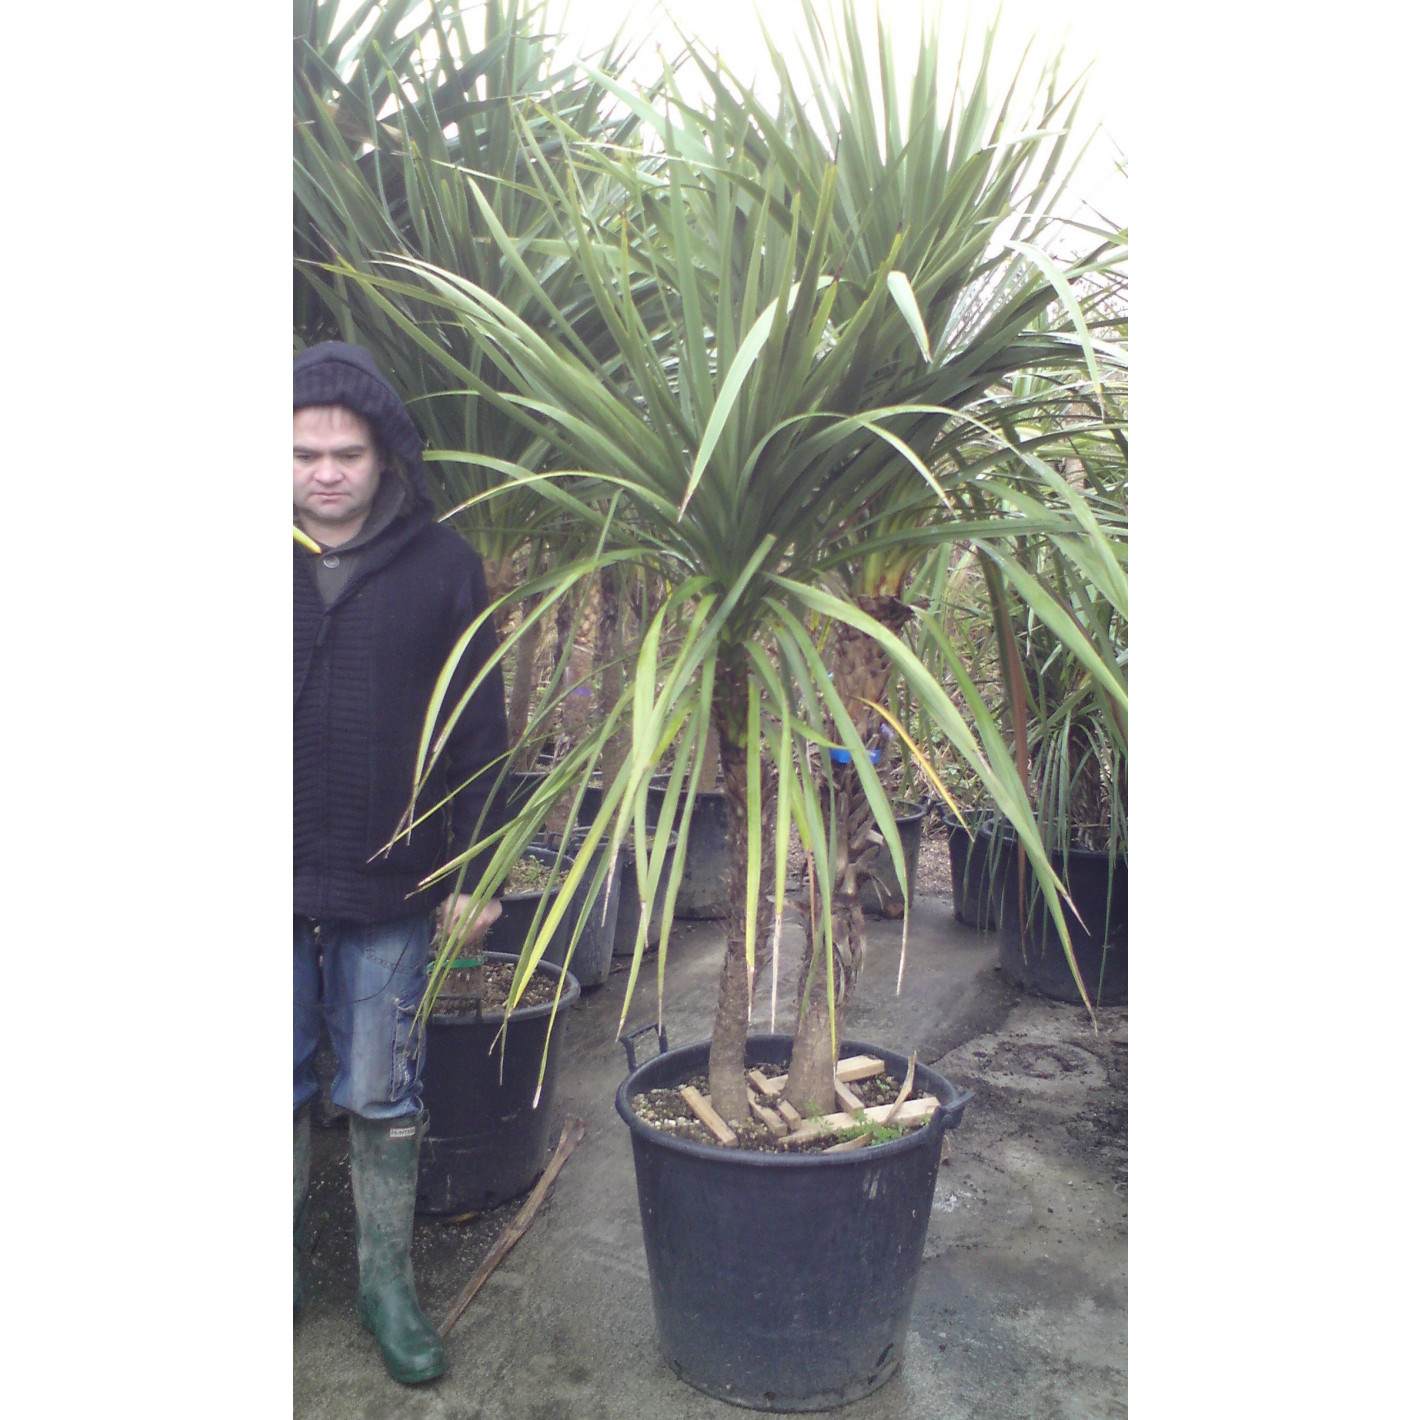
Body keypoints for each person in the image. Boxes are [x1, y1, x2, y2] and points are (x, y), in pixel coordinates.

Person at [293, 342, 507, 1384]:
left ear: (384, 459)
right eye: (301, 453)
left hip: (393, 881)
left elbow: (481, 732)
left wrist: (478, 871)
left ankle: (386, 1284)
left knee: (382, 1088)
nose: (323, 471)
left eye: (345, 452)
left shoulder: (444, 567)